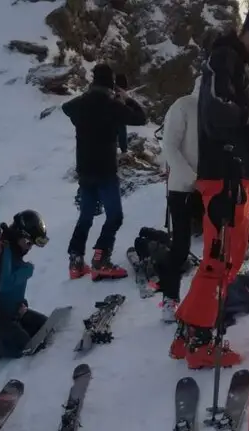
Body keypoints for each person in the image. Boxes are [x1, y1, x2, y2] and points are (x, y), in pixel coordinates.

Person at [169, 0, 249, 369]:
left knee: (223, 258)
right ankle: (202, 343)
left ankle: (186, 334)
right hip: (226, 175)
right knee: (221, 260)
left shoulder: (237, 64)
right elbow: (218, 114)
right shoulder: (225, 59)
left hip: (233, 173)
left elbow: (235, 119)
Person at [61, 62, 148, 281]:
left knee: (86, 215)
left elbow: (66, 108)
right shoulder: (112, 105)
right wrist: (125, 97)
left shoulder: (82, 103)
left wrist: (82, 117)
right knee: (115, 216)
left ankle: (76, 261)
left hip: (85, 170)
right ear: (111, 84)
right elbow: (141, 118)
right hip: (106, 171)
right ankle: (101, 258)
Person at [0, 206, 51, 359]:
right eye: (29, 242)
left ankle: (13, 327)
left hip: (10, 311)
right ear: (20, 235)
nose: (29, 248)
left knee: (45, 327)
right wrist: (27, 270)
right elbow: (4, 283)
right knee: (23, 345)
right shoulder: (2, 250)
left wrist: (22, 304)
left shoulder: (13, 250)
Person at [157, 84, 204, 323]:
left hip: (208, 187)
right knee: (181, 246)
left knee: (215, 246)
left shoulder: (219, 110)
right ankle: (170, 298)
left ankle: (207, 298)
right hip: (183, 189)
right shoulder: (184, 105)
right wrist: (193, 180)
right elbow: (170, 147)